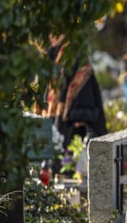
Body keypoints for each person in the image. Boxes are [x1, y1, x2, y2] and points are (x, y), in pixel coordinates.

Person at [45, 34, 108, 166]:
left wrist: (79, 114)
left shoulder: (74, 53)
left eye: (55, 32)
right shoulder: (54, 53)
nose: (51, 36)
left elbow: (82, 82)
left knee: (69, 160)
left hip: (74, 120)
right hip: (60, 117)